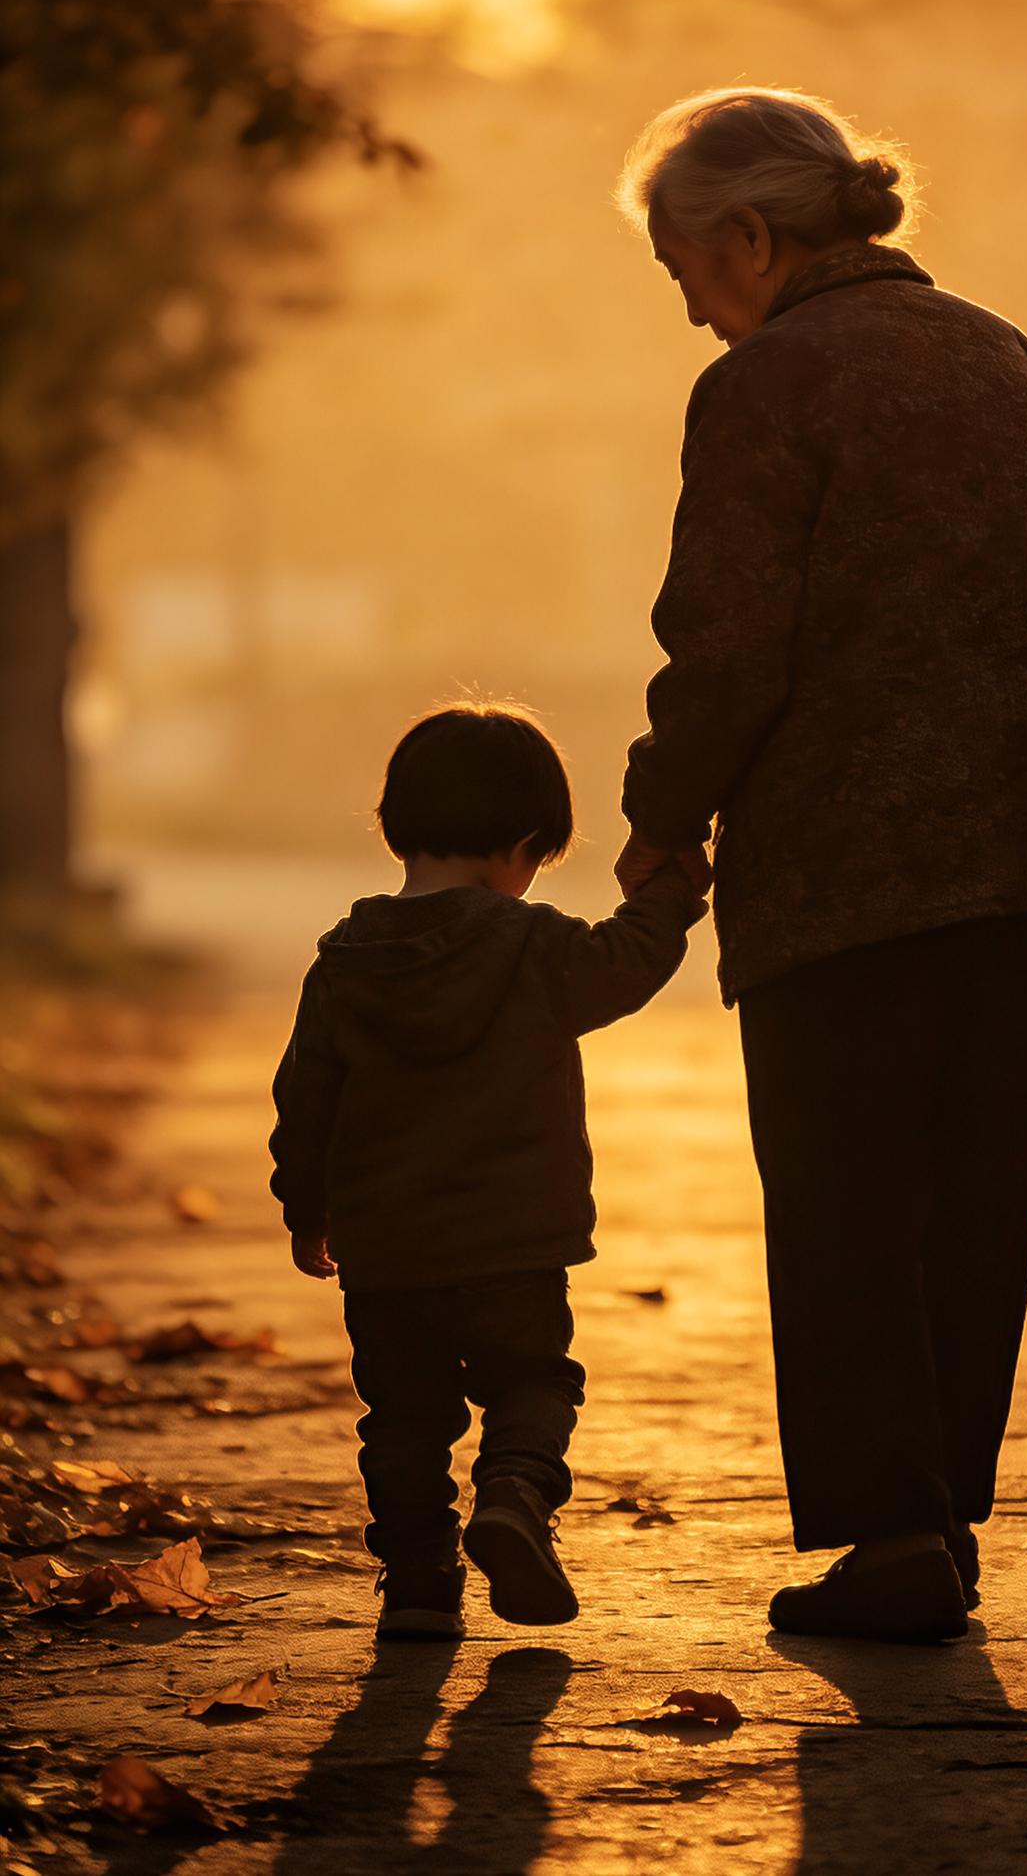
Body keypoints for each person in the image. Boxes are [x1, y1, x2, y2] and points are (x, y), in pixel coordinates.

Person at [613, 87, 1027, 1643]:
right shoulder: (1005, 353)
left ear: (749, 236)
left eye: (684, 272)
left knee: (846, 1198)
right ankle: (935, 1516)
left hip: (848, 872)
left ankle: (894, 1530)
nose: (693, 314)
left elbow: (727, 643)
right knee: (973, 1197)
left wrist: (668, 813)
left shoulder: (772, 382)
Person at [268, 703, 706, 1640]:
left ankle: (419, 1583)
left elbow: (304, 1101)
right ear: (520, 845)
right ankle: (514, 1494)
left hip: (388, 1253)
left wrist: (307, 1210)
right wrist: (670, 890)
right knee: (535, 1383)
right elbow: (627, 962)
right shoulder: (531, 945)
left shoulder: (343, 964)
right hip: (517, 1241)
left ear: (398, 826)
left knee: (402, 1419)